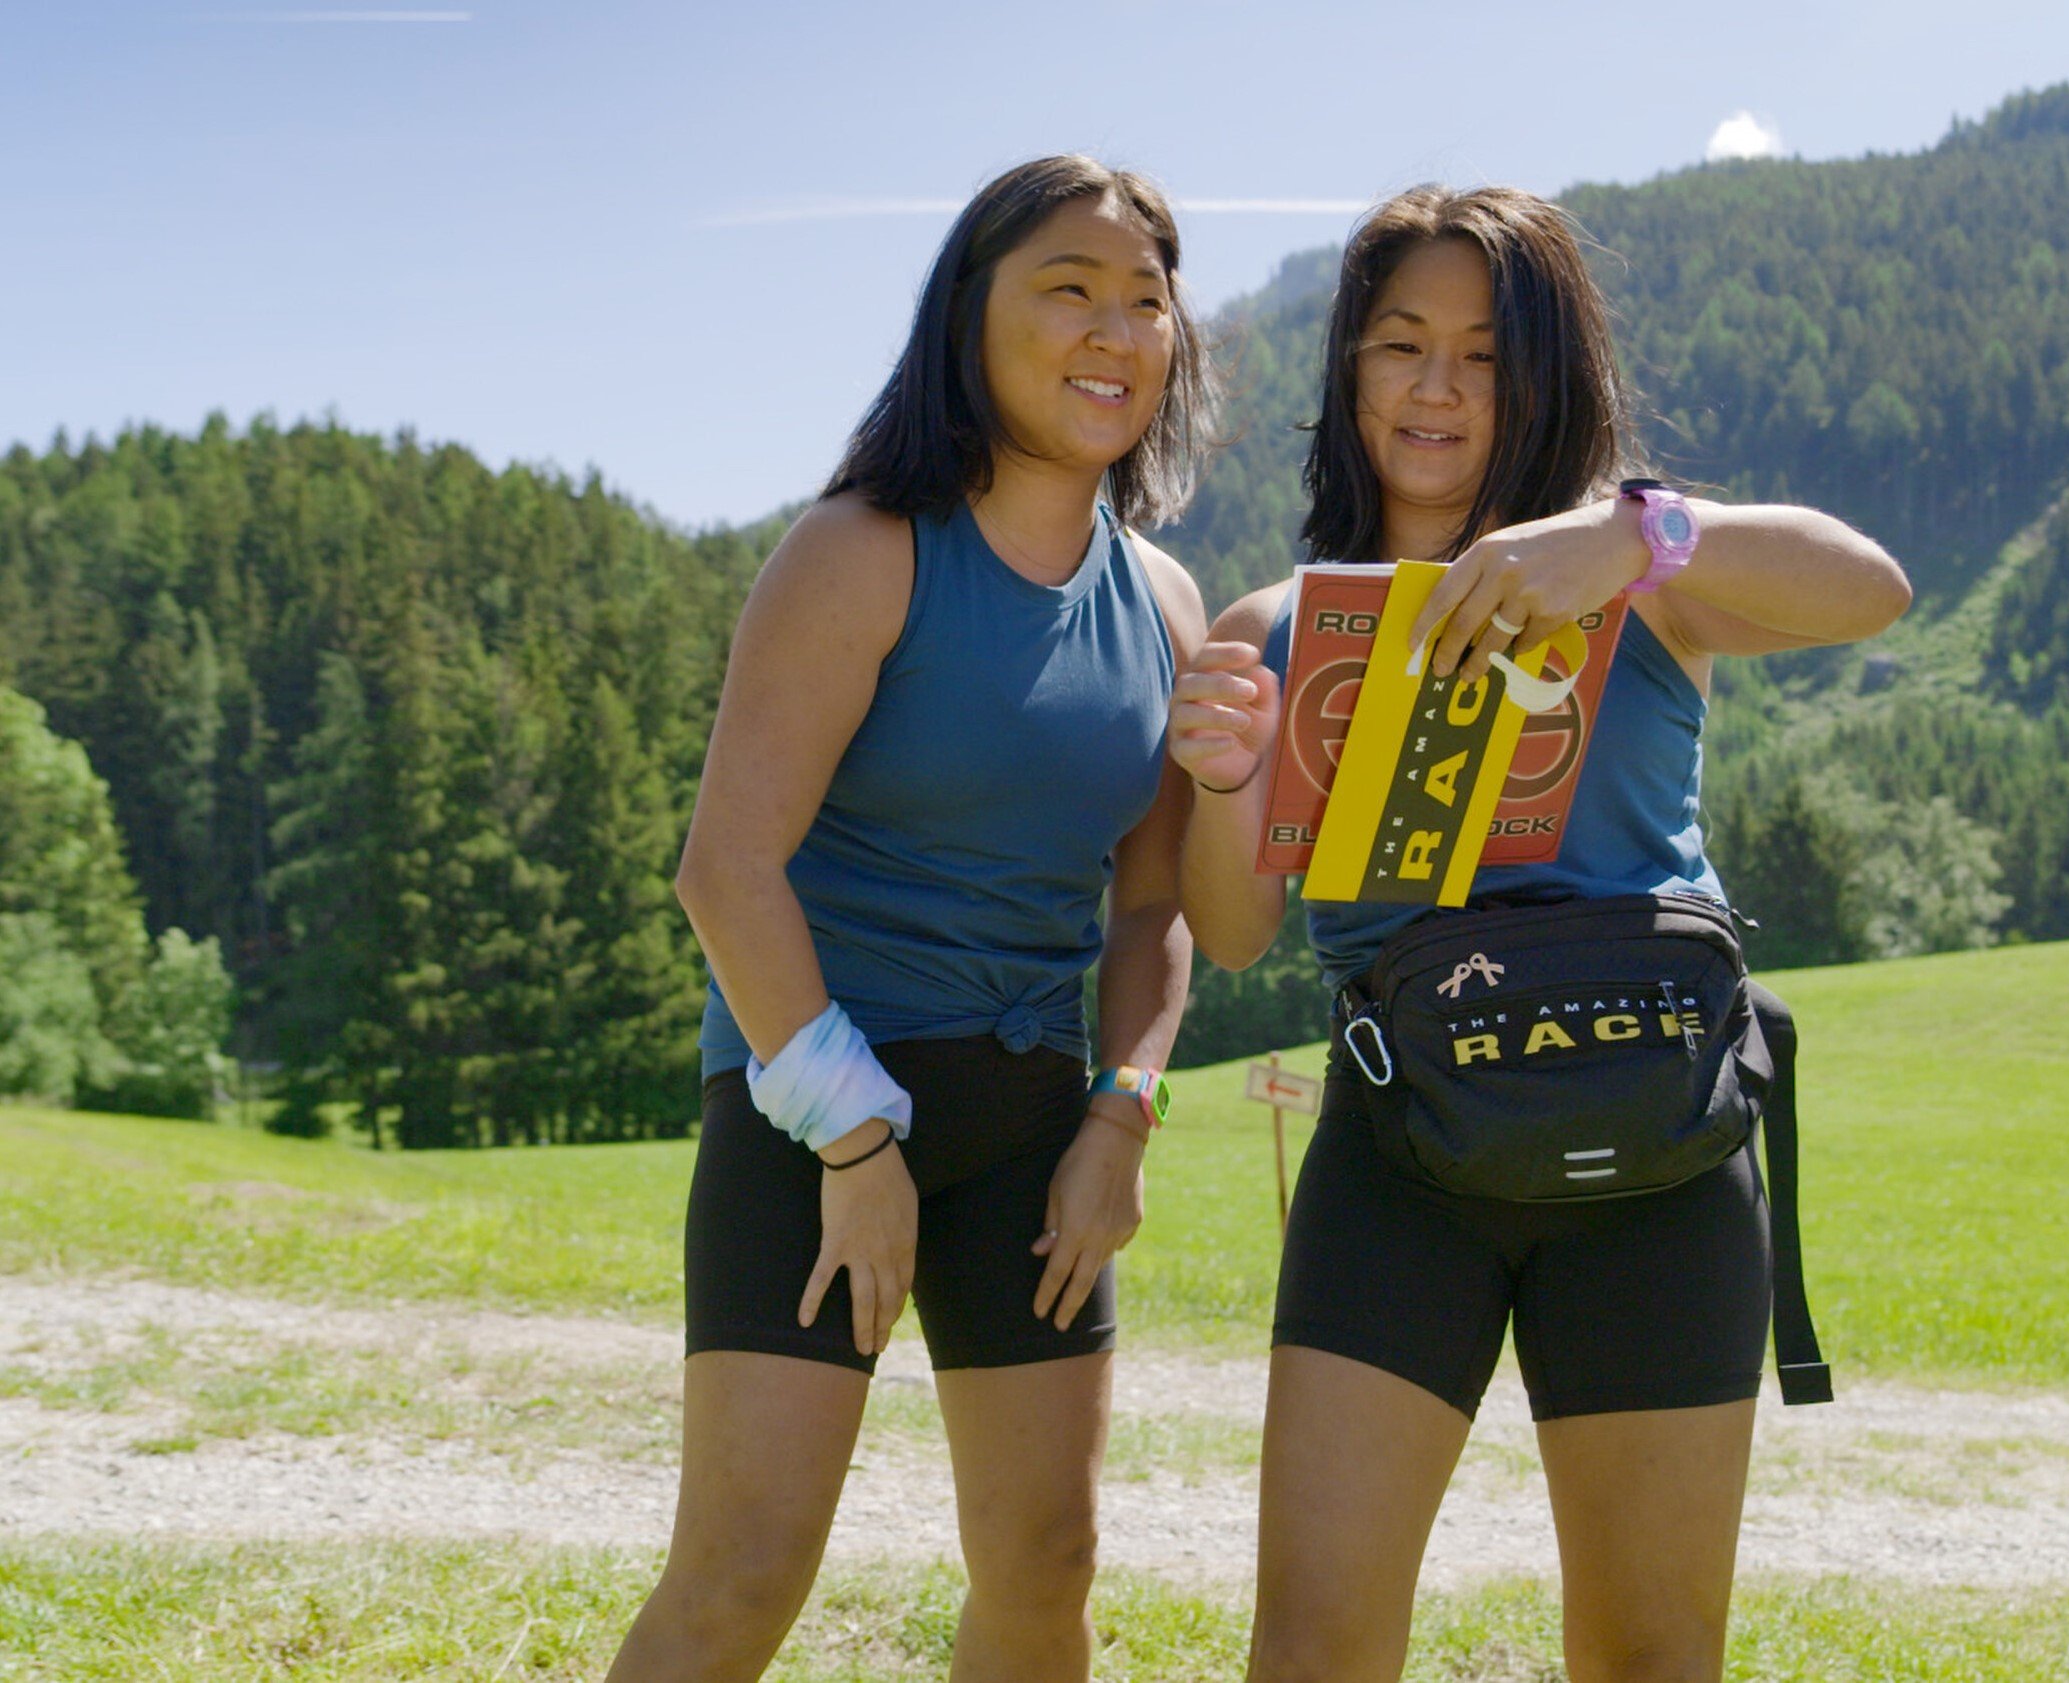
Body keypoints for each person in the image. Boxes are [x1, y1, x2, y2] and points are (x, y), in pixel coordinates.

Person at [1167, 185, 1912, 1683]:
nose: (1439, 387)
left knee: (1651, 1656)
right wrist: (1214, 773)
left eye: (1487, 354)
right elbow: (1233, 932)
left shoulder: (1639, 576)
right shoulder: (1272, 625)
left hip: (1662, 1166)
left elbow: (1871, 589)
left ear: (1548, 376)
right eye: (1400, 345)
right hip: (1400, 1168)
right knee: (1311, 1649)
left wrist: (1642, 537)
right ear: (1350, 373)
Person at [607, 155, 1212, 1683]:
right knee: (743, 1574)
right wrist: (857, 1144)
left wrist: (1120, 1120)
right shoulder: (863, 550)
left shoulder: (1167, 604)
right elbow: (724, 873)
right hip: (813, 1117)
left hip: (1033, 1124)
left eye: (1146, 300)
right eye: (1066, 289)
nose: (1114, 329)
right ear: (972, 319)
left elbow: (1153, 908)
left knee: (1046, 1569)